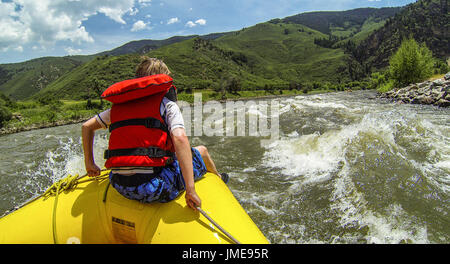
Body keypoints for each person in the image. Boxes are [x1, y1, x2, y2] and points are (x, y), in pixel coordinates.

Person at [81, 57, 227, 211]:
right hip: (153, 188)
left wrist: (89, 163)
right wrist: (190, 190)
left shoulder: (117, 109)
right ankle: (219, 179)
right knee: (202, 150)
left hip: (119, 185)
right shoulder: (167, 105)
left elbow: (86, 127)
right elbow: (179, 138)